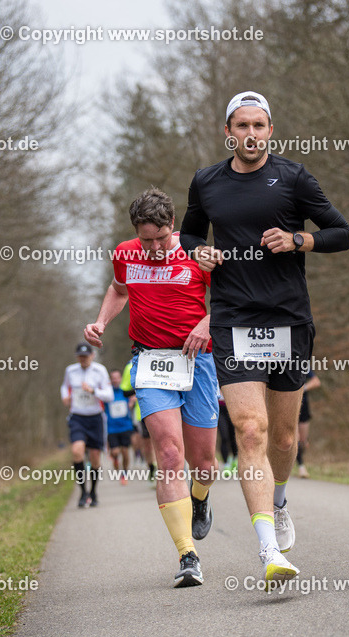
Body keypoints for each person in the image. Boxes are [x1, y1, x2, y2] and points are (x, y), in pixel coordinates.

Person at [179, 91, 349, 588]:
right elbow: (189, 236)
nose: (250, 134)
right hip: (232, 319)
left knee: (282, 437)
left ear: (270, 130)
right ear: (227, 131)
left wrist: (300, 239)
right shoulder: (207, 182)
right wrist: (200, 255)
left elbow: (342, 232)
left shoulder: (294, 177)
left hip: (289, 320)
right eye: (241, 125)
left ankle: (279, 503)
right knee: (250, 432)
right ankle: (268, 551)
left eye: (259, 125)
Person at [84, 188, 219, 588]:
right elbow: (118, 289)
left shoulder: (197, 253)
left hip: (199, 361)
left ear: (173, 226)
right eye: (147, 240)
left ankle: (200, 497)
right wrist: (101, 322)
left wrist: (206, 323)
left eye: (161, 238)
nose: (155, 247)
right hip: (150, 361)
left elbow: (232, 298)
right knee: (170, 453)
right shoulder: (125, 253)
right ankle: (186, 555)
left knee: (205, 463)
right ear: (136, 234)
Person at [60, 343, 114, 507]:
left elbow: (109, 396)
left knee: (95, 458)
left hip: (95, 418)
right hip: (77, 417)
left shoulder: (100, 371)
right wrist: (65, 397)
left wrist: (93, 391)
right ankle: (83, 492)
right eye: (80, 356)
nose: (83, 359)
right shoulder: (71, 370)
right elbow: (64, 387)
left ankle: (93, 492)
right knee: (77, 452)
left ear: (92, 355)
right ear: (77, 357)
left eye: (86, 356)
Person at [122, 360, 156, 481]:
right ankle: (152, 468)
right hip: (142, 411)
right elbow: (125, 391)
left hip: (166, 406)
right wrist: (140, 389)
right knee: (148, 444)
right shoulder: (130, 366)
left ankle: (168, 470)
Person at [105, 369, 136, 484]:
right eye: (113, 378)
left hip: (125, 426)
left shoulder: (125, 392)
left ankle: (125, 473)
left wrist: (132, 403)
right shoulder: (108, 393)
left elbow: (133, 400)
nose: (115, 380)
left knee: (125, 451)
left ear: (121, 379)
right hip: (112, 428)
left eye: (117, 377)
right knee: (115, 452)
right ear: (110, 380)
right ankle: (115, 460)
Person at [295, 369, 320, 478]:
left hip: (304, 406)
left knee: (302, 441)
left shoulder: (302, 365)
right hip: (290, 407)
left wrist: (303, 388)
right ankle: (301, 466)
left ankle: (302, 445)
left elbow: (316, 381)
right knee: (294, 438)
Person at [216, 385, 238, 471]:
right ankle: (226, 464)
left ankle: (235, 459)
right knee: (224, 436)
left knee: (233, 436)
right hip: (219, 409)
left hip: (231, 408)